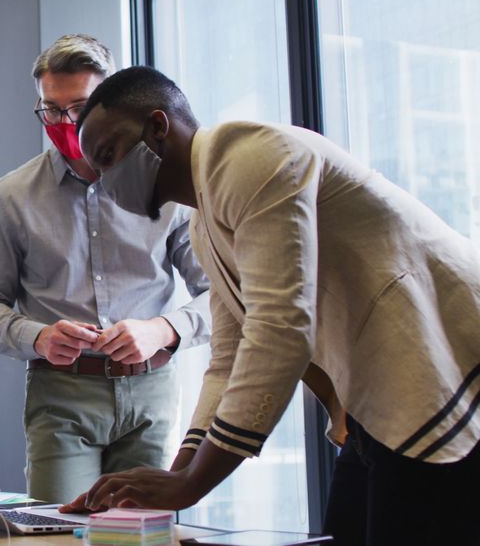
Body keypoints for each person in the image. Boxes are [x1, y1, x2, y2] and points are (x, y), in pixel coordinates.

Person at [64, 66, 480, 544]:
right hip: (381, 399)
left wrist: (192, 482)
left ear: (158, 127)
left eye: (109, 155)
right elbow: (228, 360)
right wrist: (174, 477)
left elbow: (280, 331)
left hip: (446, 374)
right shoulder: (205, 223)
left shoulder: (251, 157)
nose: (107, 180)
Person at [0, 35, 211, 504]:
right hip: (61, 397)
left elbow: (223, 295)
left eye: (77, 107)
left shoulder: (169, 185)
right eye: (50, 110)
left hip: (151, 391)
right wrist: (36, 336)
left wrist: (164, 329)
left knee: (144, 537)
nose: (63, 122)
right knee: (60, 534)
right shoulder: (13, 195)